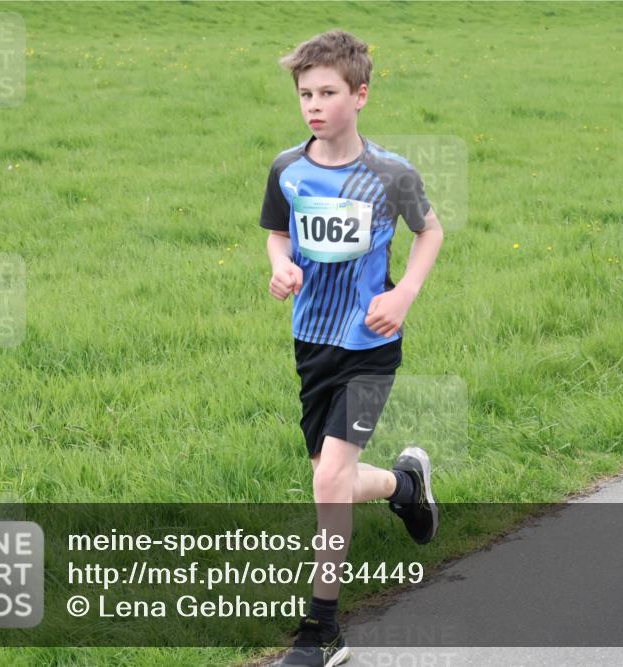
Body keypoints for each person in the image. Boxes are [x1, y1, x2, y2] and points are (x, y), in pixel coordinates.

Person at [258, 28, 444, 667]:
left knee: (330, 480)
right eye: (305, 93)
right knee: (328, 479)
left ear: (360, 95)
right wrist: (280, 267)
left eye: (328, 92)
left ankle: (322, 630)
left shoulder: (391, 173)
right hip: (312, 343)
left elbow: (430, 231)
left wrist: (405, 294)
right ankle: (404, 487)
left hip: (370, 343)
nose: (313, 104)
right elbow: (278, 234)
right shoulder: (288, 168)